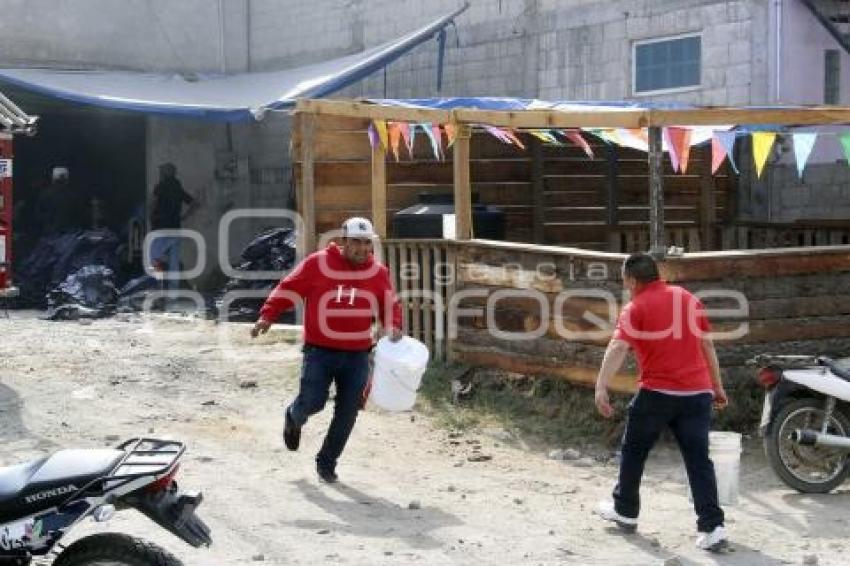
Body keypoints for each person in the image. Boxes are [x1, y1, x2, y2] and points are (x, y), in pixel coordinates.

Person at [593, 253, 730, 551]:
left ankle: (626, 511)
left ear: (631, 279)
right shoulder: (687, 298)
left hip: (657, 394)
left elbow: (618, 346)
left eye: (624, 280)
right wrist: (716, 387)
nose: (625, 285)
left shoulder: (635, 307)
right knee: (698, 460)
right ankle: (712, 527)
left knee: (634, 450)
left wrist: (601, 385)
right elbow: (707, 343)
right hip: (697, 394)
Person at [251, 217, 403, 483]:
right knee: (313, 402)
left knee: (348, 411)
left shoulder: (378, 273)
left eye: (368, 244)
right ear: (343, 241)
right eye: (356, 242)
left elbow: (389, 304)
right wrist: (268, 315)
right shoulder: (318, 263)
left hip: (357, 353)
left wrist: (393, 326)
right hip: (320, 351)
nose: (363, 249)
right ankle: (293, 417)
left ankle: (327, 462)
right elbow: (289, 287)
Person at [149, 163, 198, 289]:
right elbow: (194, 203)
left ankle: (157, 285)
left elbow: (153, 205)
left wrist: (151, 217)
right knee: (174, 261)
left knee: (153, 256)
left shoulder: (160, 187)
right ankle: (173, 293)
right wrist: (184, 217)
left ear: (165, 173)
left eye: (162, 171)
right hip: (175, 228)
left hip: (161, 228)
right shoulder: (178, 188)